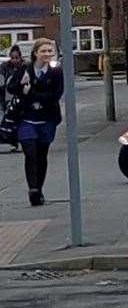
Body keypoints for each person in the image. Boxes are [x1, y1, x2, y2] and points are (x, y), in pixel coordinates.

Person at [11, 39, 64, 207]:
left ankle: (39, 188)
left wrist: (32, 92)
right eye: (44, 51)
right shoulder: (24, 69)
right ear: (36, 53)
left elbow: (56, 94)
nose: (48, 54)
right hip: (26, 119)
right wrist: (21, 86)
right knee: (30, 153)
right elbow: (11, 88)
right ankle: (33, 189)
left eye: (50, 51)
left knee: (41, 155)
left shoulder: (56, 72)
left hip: (47, 119)